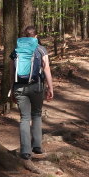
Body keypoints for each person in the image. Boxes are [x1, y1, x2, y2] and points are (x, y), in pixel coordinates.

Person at [10, 25, 54, 160]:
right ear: (36, 36)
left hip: (19, 87)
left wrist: (12, 89)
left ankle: (25, 151)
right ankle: (37, 146)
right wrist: (50, 87)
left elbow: (11, 72)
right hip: (36, 86)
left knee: (24, 118)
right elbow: (46, 69)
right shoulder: (41, 49)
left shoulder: (16, 50)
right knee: (36, 114)